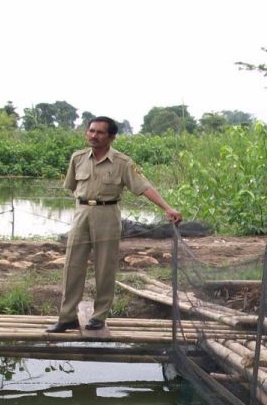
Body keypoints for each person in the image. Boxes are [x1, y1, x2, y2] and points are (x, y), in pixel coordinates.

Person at [47, 116, 182, 333]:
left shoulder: (123, 163)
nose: (94, 135)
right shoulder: (78, 158)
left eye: (100, 132)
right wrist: (86, 203)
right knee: (72, 265)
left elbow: (144, 186)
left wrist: (167, 208)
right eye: (91, 131)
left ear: (111, 137)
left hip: (108, 214)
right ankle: (67, 317)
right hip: (81, 213)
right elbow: (72, 186)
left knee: (104, 267)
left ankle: (99, 316)